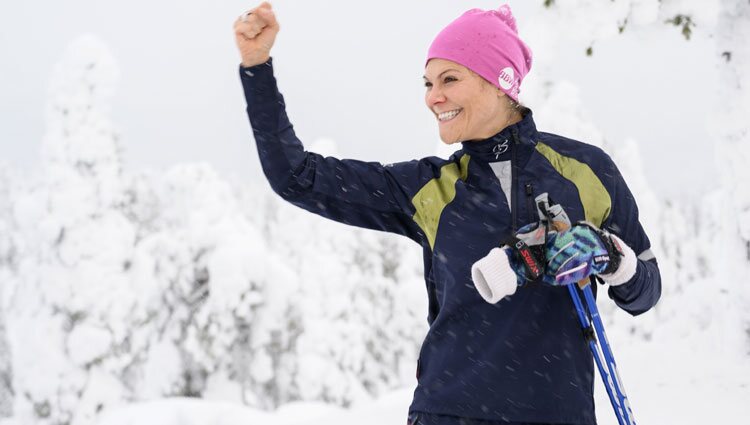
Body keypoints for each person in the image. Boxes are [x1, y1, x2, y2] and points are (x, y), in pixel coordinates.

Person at [233, 3, 661, 425]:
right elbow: (296, 176)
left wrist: (610, 256)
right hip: (448, 413)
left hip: (559, 414)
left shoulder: (587, 171)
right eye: (427, 83)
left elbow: (645, 291)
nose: (433, 97)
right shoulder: (428, 188)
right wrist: (257, 67)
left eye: (449, 79)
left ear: (501, 82)